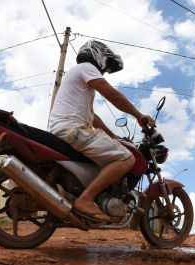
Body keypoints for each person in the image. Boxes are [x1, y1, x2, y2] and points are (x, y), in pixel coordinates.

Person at [48, 40, 155, 222]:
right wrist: (138, 115)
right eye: (105, 68)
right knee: (126, 158)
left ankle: (86, 195)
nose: (104, 72)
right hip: (73, 129)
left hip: (65, 129)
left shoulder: (78, 77)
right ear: (98, 55)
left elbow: (93, 118)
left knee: (115, 154)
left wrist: (113, 137)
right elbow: (112, 95)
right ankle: (86, 199)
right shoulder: (87, 67)